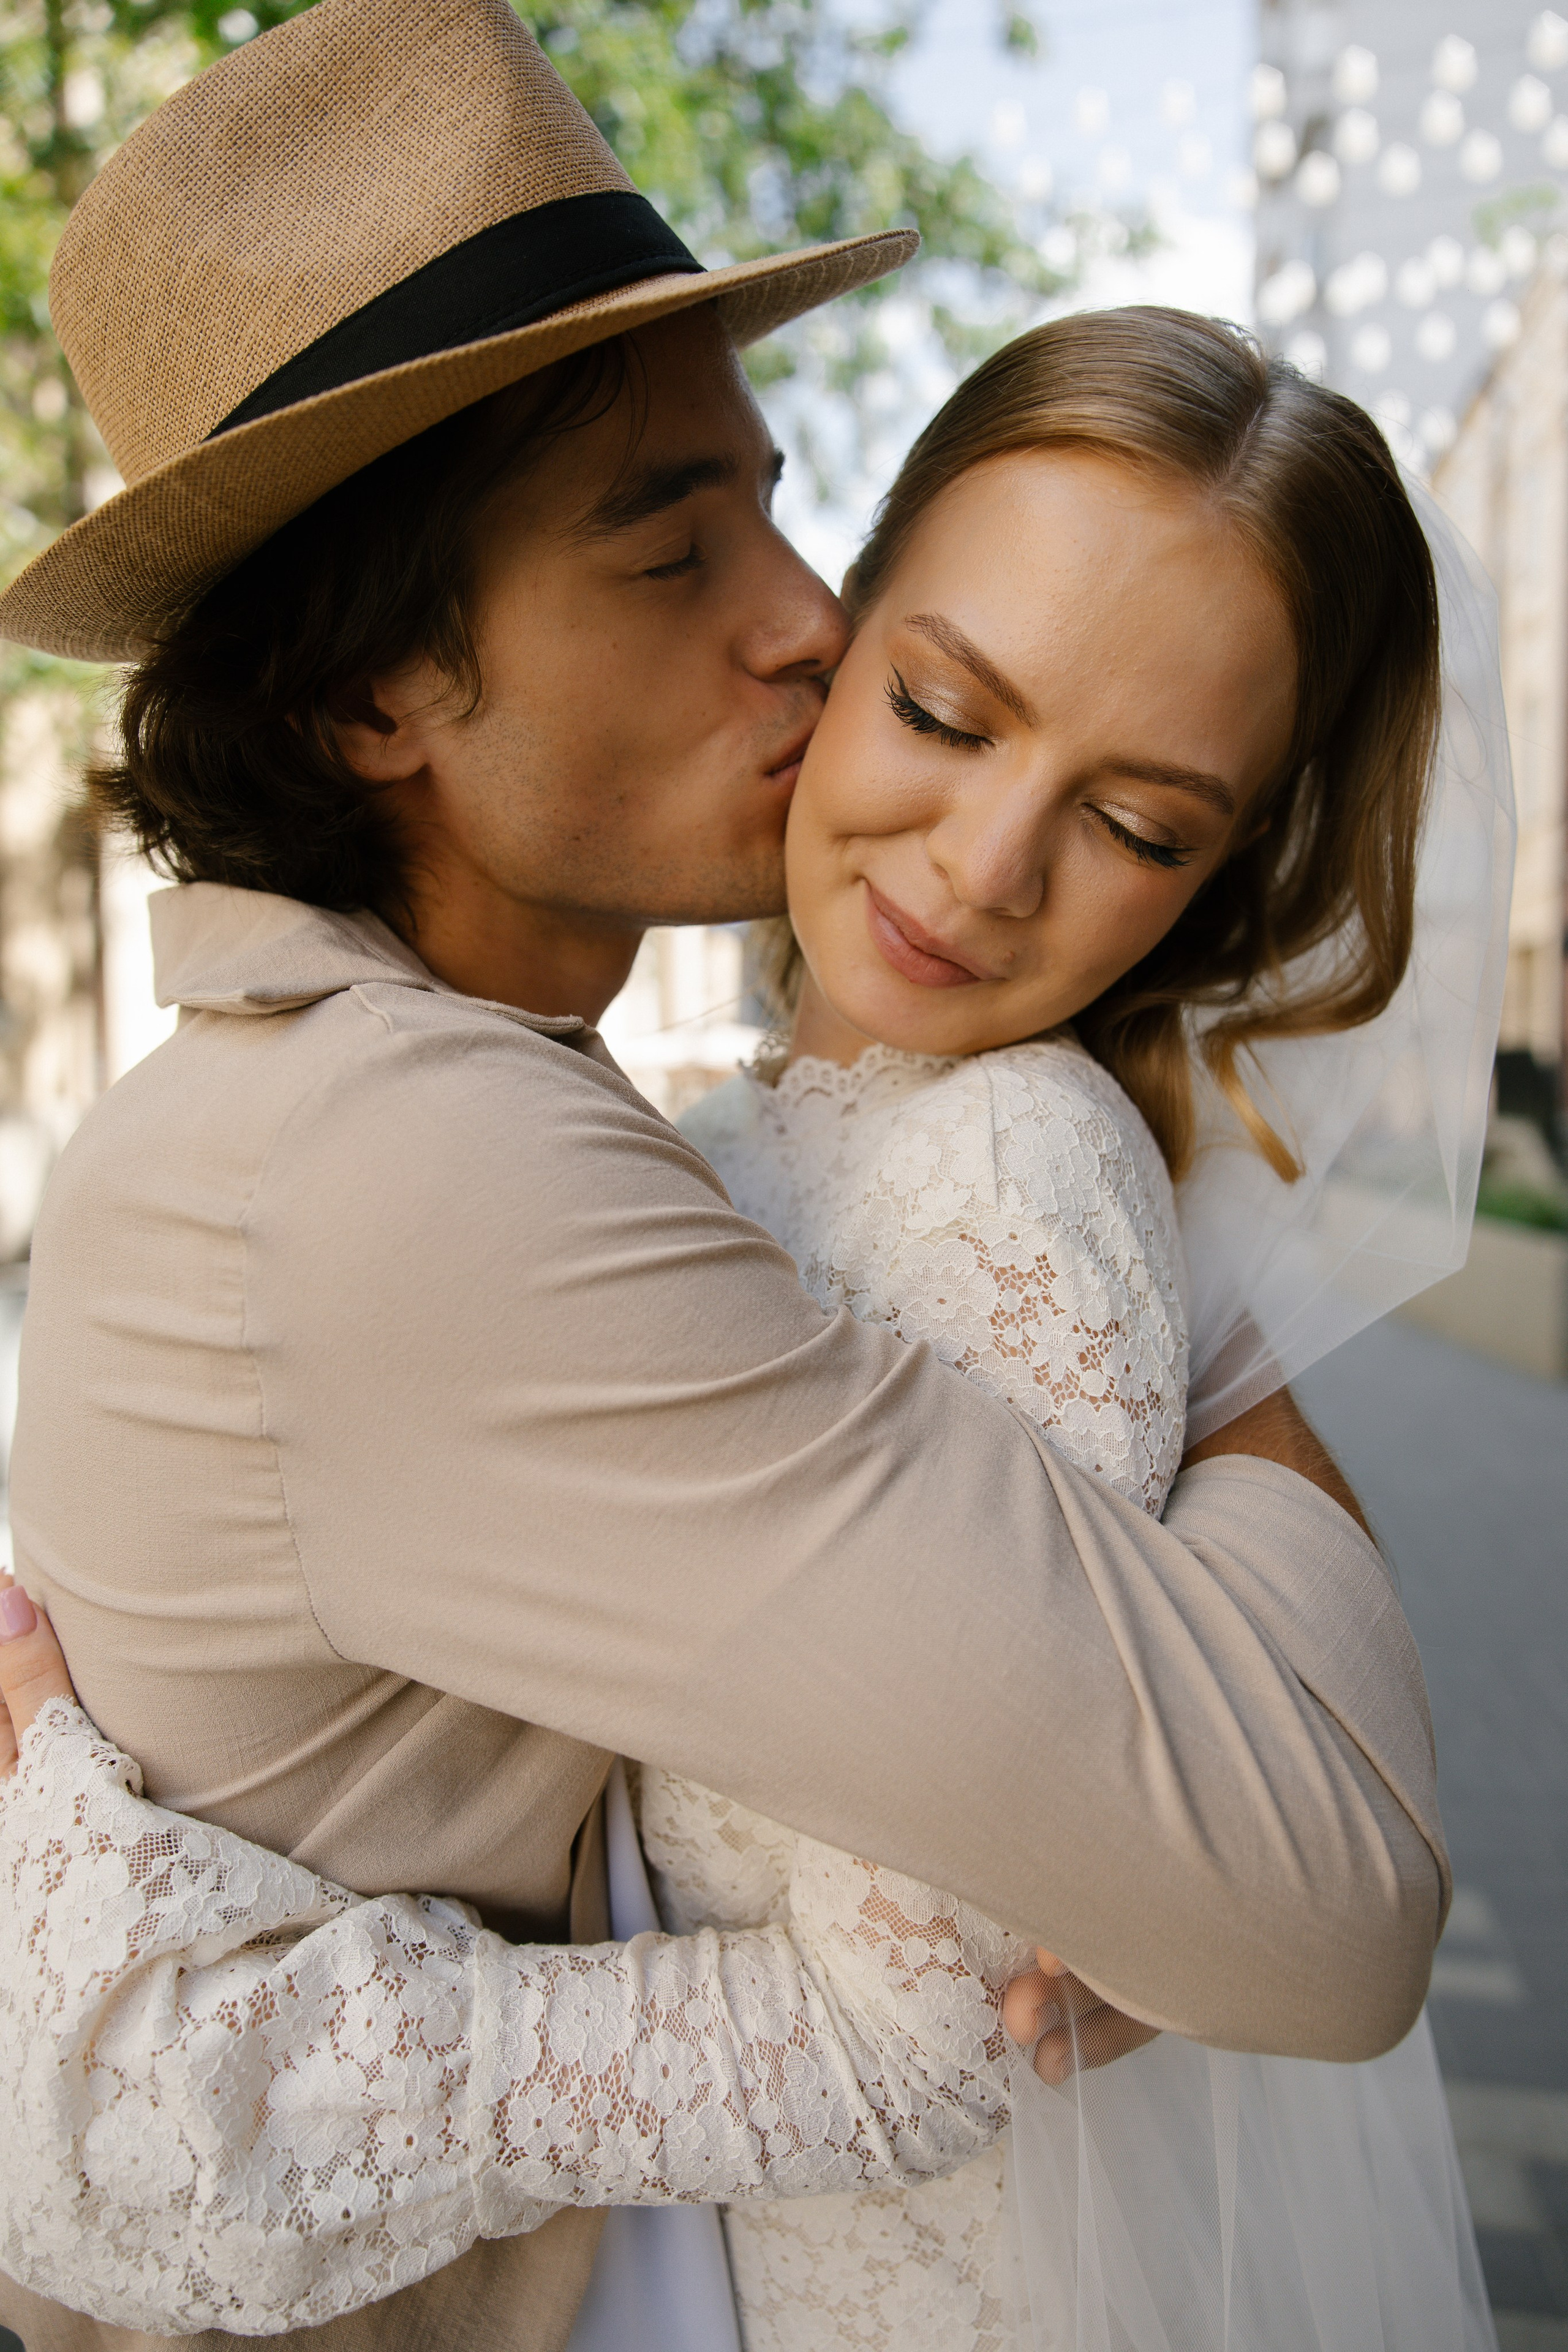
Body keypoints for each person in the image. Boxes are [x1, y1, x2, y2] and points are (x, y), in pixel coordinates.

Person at [0, 4, 1457, 2348]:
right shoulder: (418, 1161)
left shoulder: (397, 1094)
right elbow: (1328, 1905)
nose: (803, 619)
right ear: (378, 690)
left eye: (777, 508)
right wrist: (1218, 1344)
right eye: (673, 555)